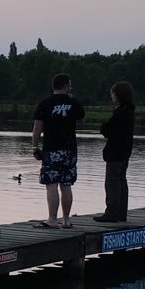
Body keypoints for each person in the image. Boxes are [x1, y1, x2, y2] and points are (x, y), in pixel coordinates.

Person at [31, 73, 85, 229]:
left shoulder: (45, 104)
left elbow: (37, 127)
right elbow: (81, 120)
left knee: (52, 184)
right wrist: (71, 101)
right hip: (70, 149)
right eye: (70, 84)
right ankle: (66, 220)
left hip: (52, 149)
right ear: (66, 85)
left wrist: (35, 147)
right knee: (66, 184)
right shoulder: (73, 102)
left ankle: (52, 219)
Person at [95, 81, 136, 223]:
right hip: (125, 153)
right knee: (121, 182)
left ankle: (111, 213)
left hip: (115, 153)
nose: (111, 96)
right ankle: (121, 213)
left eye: (113, 93)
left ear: (118, 95)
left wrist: (103, 127)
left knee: (112, 183)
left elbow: (107, 130)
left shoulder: (120, 113)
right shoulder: (130, 112)